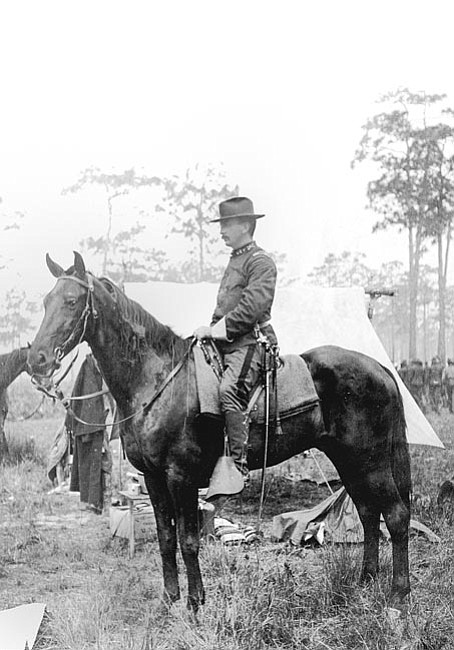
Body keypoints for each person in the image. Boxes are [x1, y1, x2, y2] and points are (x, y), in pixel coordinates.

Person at [193, 196, 278, 492]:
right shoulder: (235, 260)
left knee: (228, 390)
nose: (221, 231)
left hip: (248, 341)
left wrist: (215, 330)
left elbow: (250, 309)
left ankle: (238, 467)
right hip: (223, 342)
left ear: (245, 225)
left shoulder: (260, 262)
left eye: (227, 224)